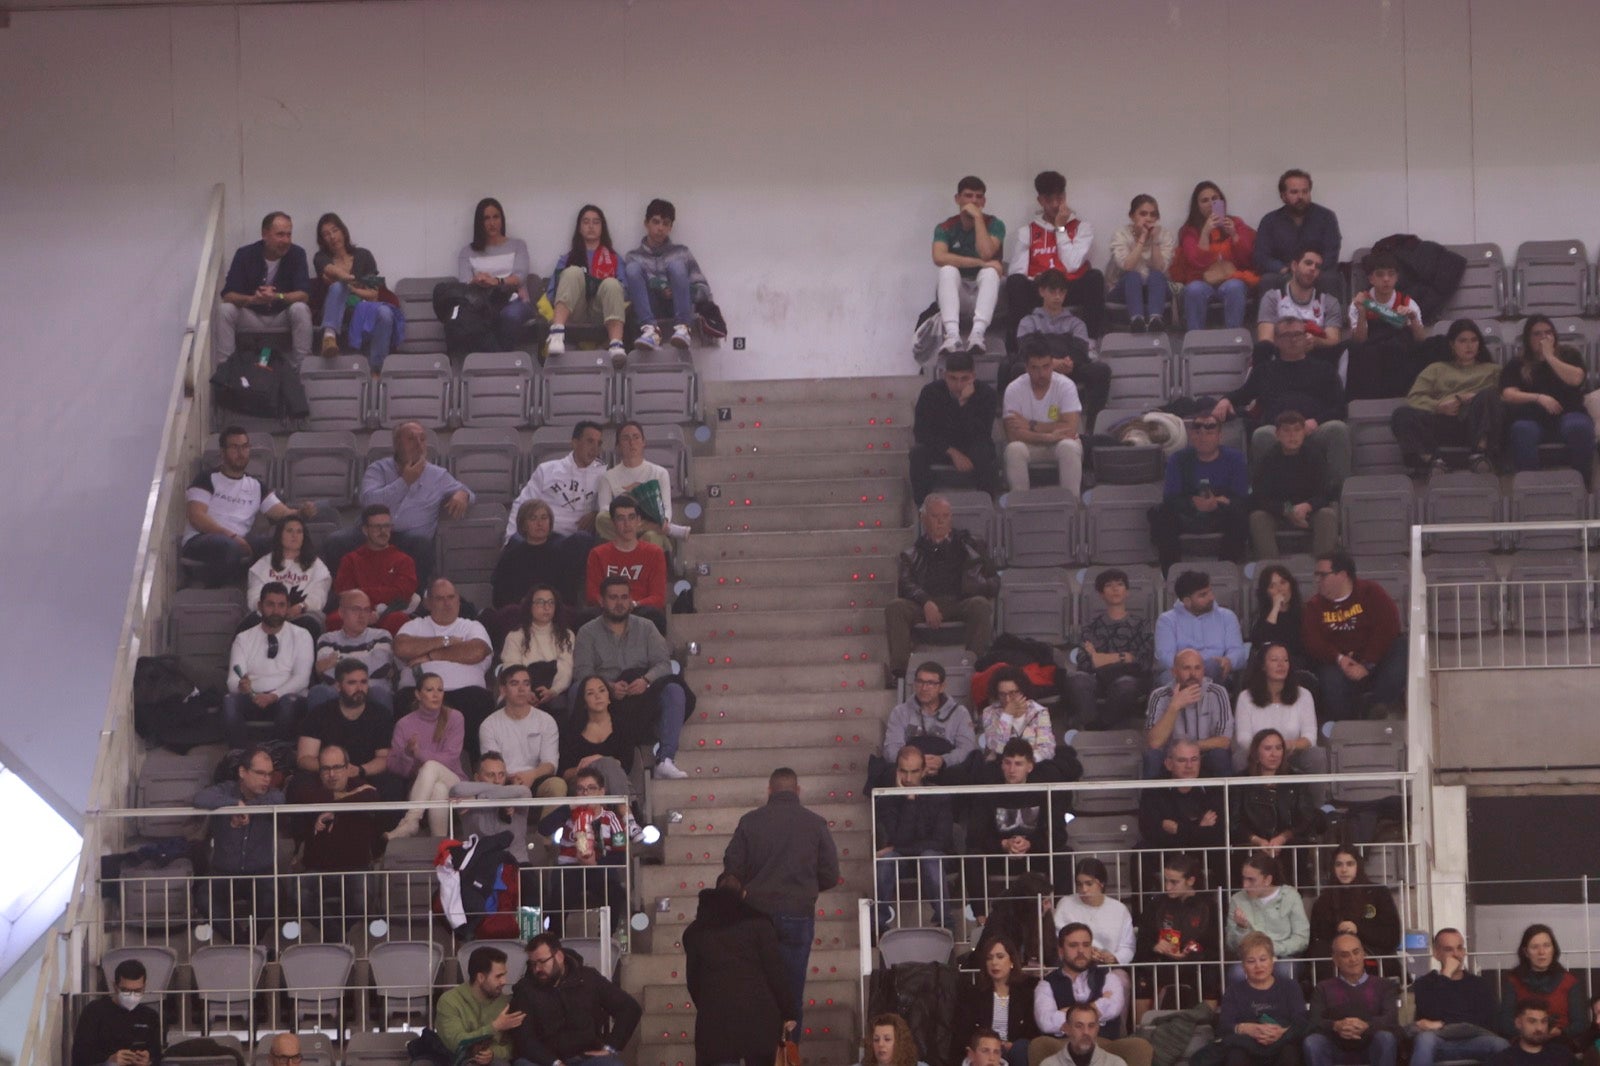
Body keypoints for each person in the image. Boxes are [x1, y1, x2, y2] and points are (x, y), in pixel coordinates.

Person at [724, 768, 841, 1038]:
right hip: (798, 914)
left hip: (755, 914)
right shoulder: (815, 823)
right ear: (798, 791)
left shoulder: (750, 822)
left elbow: (732, 868)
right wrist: (806, 889)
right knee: (791, 993)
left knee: (756, 990)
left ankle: (759, 1052)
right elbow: (831, 875)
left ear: (769, 790)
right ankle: (788, 1052)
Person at [324, 421, 472, 586]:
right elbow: (368, 502)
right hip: (371, 531)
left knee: (422, 544)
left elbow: (467, 492)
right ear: (397, 444)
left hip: (409, 538)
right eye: (411, 439)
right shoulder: (378, 469)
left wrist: (463, 494)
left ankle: (415, 599)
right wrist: (404, 482)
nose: (418, 444)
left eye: (422, 439)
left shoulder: (437, 475)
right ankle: (345, 595)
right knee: (335, 542)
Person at [572, 575, 688, 780]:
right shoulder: (587, 632)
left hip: (642, 692)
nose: (619, 603)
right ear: (601, 600)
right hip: (605, 695)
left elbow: (664, 664)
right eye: (613, 597)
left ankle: (665, 759)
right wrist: (607, 687)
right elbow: (582, 672)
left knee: (674, 690)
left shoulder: (647, 627)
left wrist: (646, 680)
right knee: (577, 690)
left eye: (624, 597)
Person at [1214, 319, 1350, 488]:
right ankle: (1265, 495)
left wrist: (1316, 422)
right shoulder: (1264, 370)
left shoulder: (1324, 369)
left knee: (1338, 429)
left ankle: (1336, 494)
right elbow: (1242, 395)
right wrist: (1225, 400)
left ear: (1306, 337)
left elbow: (1340, 407)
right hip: (1277, 430)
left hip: (1314, 428)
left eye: (1298, 334)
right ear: (1276, 340)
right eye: (1287, 335)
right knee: (1261, 434)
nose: (1293, 340)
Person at [684, 872, 797, 1066]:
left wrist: (707, 1006)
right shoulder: (760, 924)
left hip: (715, 1022)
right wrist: (788, 1011)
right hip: (759, 1018)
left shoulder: (696, 931)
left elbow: (693, 981)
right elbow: (776, 972)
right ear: (744, 894)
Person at [182, 425, 313, 587]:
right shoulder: (206, 478)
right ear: (222, 452)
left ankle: (271, 592)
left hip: (238, 542)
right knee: (228, 547)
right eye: (234, 447)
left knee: (279, 544)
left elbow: (283, 513)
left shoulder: (256, 486)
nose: (241, 452)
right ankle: (221, 591)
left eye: (245, 447)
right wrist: (231, 536)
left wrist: (302, 513)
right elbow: (196, 517)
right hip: (202, 539)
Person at [885, 493, 999, 675]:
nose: (941, 521)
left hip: (960, 601)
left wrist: (976, 585)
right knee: (895, 607)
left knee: (980, 605)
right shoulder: (911, 554)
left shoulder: (972, 546)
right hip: (925, 604)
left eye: (945, 516)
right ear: (923, 519)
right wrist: (926, 602)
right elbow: (906, 584)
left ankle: (976, 668)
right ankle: (901, 673)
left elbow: (994, 580)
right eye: (935, 516)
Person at [287, 743, 384, 937]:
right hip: (317, 869)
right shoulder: (308, 788)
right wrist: (340, 804)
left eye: (337, 768)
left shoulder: (362, 789)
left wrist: (333, 808)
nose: (331, 774)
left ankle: (335, 934)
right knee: (298, 893)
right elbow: (303, 796)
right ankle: (337, 936)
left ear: (348, 768)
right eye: (326, 769)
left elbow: (372, 795)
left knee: (362, 900)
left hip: (356, 867)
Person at [193, 745, 283, 947]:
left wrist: (245, 809)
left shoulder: (272, 795)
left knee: (273, 896)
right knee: (204, 898)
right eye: (260, 773)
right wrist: (233, 804)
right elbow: (200, 798)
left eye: (269, 774)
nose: (267, 779)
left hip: (261, 873)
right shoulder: (225, 790)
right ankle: (245, 945)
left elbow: (279, 798)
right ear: (243, 772)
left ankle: (248, 944)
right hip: (224, 872)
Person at [394, 579, 496, 756]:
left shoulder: (472, 626)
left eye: (451, 597)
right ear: (428, 603)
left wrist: (430, 655)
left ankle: (474, 765)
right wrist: (446, 641)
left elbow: (477, 651)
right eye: (440, 598)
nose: (447, 603)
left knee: (481, 701)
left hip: (467, 694)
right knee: (404, 700)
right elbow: (401, 648)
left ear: (458, 600)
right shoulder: (414, 626)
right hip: (418, 693)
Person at [1302, 552, 1407, 721]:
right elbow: (1313, 641)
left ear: (1343, 575)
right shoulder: (1314, 606)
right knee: (1329, 678)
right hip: (1339, 664)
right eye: (1316, 575)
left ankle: (1375, 706)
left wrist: (1367, 663)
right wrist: (1339, 658)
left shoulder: (1370, 592)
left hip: (1375, 660)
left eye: (1323, 575)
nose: (1317, 580)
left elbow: (1388, 627)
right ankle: (1346, 723)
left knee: (1402, 648)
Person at [1390, 319, 1502, 476]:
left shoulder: (1493, 370)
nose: (1469, 346)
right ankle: (1433, 460)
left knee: (1487, 397)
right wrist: (1438, 407)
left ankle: (1480, 454)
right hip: (1443, 420)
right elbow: (1415, 397)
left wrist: (1474, 397)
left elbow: (1505, 395)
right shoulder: (1436, 369)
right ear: (1452, 345)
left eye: (1474, 340)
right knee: (1401, 414)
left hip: (1477, 420)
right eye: (1463, 341)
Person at [509, 933, 642, 1066]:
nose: (537, 969)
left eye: (542, 962)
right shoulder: (525, 989)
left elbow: (629, 1008)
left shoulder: (587, 978)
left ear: (559, 956)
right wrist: (554, 1063)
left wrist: (611, 1047)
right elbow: (525, 1039)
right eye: (532, 964)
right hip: (543, 1060)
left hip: (586, 1056)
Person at [1004, 170, 1106, 344]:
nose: (1055, 205)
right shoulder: (1027, 231)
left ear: (1065, 196)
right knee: (1014, 281)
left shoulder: (1082, 228)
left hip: (1068, 287)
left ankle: (1089, 342)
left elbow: (1072, 264)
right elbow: (1017, 271)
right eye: (1049, 200)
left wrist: (1060, 229)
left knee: (1095, 277)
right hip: (1041, 288)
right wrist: (1039, 282)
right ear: (1040, 200)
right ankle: (1018, 346)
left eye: (1059, 198)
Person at [537, 766, 632, 936]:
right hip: (569, 869)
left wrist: (596, 862)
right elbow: (543, 828)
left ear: (602, 792)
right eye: (580, 789)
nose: (585, 793)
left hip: (599, 868)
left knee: (616, 892)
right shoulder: (568, 814)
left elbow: (620, 855)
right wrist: (569, 807)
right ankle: (555, 938)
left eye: (591, 788)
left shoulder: (611, 818)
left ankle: (606, 938)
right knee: (559, 894)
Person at [1149, 415, 1251, 573]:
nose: (1203, 437)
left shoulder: (1235, 459)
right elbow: (1169, 498)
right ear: (1191, 436)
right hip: (1188, 514)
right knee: (1161, 515)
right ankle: (1171, 574)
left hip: (1221, 514)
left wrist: (1217, 503)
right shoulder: (1178, 459)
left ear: (1219, 436)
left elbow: (1242, 498)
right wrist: (1193, 503)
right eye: (1198, 433)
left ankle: (1225, 571)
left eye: (1209, 433)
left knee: (1240, 516)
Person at [965, 741, 1059, 910]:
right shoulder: (988, 793)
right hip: (998, 858)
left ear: (1030, 767)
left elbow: (1058, 834)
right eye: (1007, 763)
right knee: (973, 856)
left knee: (1063, 853)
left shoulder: (1043, 792)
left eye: (1018, 764)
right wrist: (1003, 844)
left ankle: (1060, 911)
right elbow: (974, 836)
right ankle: (981, 915)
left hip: (1034, 856)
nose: (1012, 769)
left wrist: (1030, 844)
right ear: (1001, 764)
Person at [1501, 315, 1594, 481]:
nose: (1543, 337)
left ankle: (1582, 483)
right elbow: (1508, 394)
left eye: (1548, 332)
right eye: (1537, 334)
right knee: (1521, 430)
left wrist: (1550, 357)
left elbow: (1576, 379)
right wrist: (1539, 398)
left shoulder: (1569, 354)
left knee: (1579, 427)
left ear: (1554, 335)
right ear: (1528, 338)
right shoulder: (1517, 363)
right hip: (1532, 417)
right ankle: (1530, 484)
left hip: (1570, 413)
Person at [1015, 274, 1113, 430]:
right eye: (1052, 291)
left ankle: (1092, 426)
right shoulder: (1029, 321)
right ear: (1041, 291)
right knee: (1016, 369)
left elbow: (1080, 352)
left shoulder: (1076, 323)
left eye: (1061, 292)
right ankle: (1021, 423)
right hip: (1038, 367)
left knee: (1101, 370)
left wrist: (1065, 363)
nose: (1057, 296)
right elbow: (1025, 349)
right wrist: (1050, 364)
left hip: (1069, 367)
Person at [215, 210, 312, 367]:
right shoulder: (245, 254)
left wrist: (278, 296)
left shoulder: (297, 254)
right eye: (280, 234)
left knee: (300, 309)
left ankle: (300, 368)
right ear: (265, 234)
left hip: (282, 315)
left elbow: (304, 295)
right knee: (225, 310)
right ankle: (226, 369)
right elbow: (228, 295)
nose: (286, 240)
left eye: (289, 235)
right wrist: (253, 299)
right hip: (252, 315)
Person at [223, 582, 314, 748]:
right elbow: (232, 681)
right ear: (260, 606)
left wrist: (273, 695)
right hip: (253, 697)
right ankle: (239, 755)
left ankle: (279, 754)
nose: (276, 611)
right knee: (230, 701)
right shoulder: (244, 638)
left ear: (287, 607)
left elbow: (302, 679)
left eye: (281, 605)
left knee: (288, 703)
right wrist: (243, 688)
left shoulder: (302, 635)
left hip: (287, 697)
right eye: (270, 604)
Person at [874, 745, 954, 933]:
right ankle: (878, 925)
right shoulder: (886, 799)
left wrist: (898, 848)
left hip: (935, 857)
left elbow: (940, 842)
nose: (908, 779)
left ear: (924, 771)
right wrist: (909, 800)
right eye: (903, 771)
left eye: (914, 772)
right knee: (887, 861)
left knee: (929, 857)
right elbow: (899, 838)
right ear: (897, 771)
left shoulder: (939, 796)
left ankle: (946, 924)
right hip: (903, 860)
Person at [296, 659, 400, 799]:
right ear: (338, 686)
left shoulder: (380, 714)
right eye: (352, 683)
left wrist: (359, 770)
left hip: (365, 774)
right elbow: (304, 759)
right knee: (299, 784)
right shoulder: (319, 713)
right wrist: (337, 769)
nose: (359, 688)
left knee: (393, 785)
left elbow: (384, 758)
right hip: (327, 775)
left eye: (363, 682)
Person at [1068, 569, 1156, 729]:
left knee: (1125, 684)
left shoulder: (1142, 625)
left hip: (1131, 680)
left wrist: (1102, 658)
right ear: (1101, 594)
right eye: (1109, 585)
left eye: (1120, 584)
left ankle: (1103, 723)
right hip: (1100, 679)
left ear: (1127, 591)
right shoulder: (1091, 627)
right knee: (1078, 678)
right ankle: (1090, 722)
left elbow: (1145, 662)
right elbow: (1085, 664)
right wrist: (1125, 656)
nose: (1115, 589)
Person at [1133, 854, 1220, 1015]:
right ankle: (1141, 1027)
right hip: (1162, 962)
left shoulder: (1208, 906)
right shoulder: (1156, 904)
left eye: (1174, 882)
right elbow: (1142, 942)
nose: (1167, 887)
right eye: (1166, 880)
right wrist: (1155, 946)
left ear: (1191, 881)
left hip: (1196, 964)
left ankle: (1209, 1023)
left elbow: (1214, 946)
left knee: (1212, 972)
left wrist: (1190, 951)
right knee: (1141, 972)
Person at [385, 671, 468, 839]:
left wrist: (419, 753)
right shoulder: (404, 724)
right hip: (421, 786)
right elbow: (393, 766)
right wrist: (408, 754)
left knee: (430, 766)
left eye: (440, 690)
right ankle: (440, 844)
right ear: (418, 694)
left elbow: (450, 759)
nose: (436, 695)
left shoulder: (455, 717)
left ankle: (411, 821)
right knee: (438, 789)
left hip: (455, 782)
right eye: (430, 690)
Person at [911, 350, 1001, 503]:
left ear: (973, 376)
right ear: (945, 375)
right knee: (917, 453)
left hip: (972, 445)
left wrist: (964, 403)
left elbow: (981, 433)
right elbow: (921, 432)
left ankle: (986, 504)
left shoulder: (987, 394)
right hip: (941, 447)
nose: (958, 385)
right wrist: (952, 452)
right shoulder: (930, 392)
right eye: (953, 378)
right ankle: (923, 507)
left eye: (964, 379)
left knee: (984, 452)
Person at [1410, 928, 1510, 1066]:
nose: (1456, 954)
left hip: (1475, 1041)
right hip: (1438, 1042)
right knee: (1424, 1039)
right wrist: (1445, 976)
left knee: (1501, 1045)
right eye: (1448, 949)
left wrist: (1442, 1024)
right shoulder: (1424, 984)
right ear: (1436, 954)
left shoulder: (1479, 984)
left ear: (1464, 951)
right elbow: (1430, 1013)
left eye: (1459, 948)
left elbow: (1488, 1021)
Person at [622, 197, 711, 351]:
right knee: (632, 269)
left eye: (665, 223)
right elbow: (627, 294)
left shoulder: (682, 252)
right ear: (646, 224)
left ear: (670, 227)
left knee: (677, 265)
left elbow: (704, 290)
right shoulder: (634, 256)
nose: (660, 228)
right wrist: (657, 288)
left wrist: (679, 290)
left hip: (678, 307)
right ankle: (650, 331)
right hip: (649, 310)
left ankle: (683, 328)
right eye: (656, 222)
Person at [545, 204, 632, 361]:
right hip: (574, 311)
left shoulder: (614, 258)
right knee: (573, 272)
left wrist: (598, 287)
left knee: (612, 284)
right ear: (579, 228)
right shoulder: (567, 259)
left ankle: (616, 345)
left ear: (602, 228)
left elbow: (624, 293)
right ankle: (556, 335)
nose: (591, 226)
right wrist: (578, 286)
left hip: (602, 312)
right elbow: (551, 294)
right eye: (586, 222)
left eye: (596, 222)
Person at [311, 211, 397, 367]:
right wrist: (346, 279)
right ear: (322, 240)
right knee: (338, 286)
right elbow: (330, 269)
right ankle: (329, 337)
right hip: (334, 311)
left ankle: (377, 368)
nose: (332, 237)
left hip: (360, 308)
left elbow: (373, 294)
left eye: (335, 230)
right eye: (326, 234)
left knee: (385, 313)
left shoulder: (364, 255)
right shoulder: (320, 257)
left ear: (343, 231)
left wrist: (351, 289)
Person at [933, 176, 1006, 354]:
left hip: (987, 292)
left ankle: (977, 335)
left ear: (984, 201)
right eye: (968, 195)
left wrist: (978, 218)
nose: (974, 201)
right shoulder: (945, 227)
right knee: (947, 270)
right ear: (957, 199)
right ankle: (952, 335)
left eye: (978, 196)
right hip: (959, 292)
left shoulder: (995, 224)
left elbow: (986, 253)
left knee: (990, 273)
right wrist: (980, 262)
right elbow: (939, 257)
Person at [1250, 411, 1338, 559]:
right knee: (1257, 517)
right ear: (1277, 434)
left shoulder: (1315, 456)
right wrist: (1288, 510)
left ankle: (1323, 566)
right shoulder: (1268, 459)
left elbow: (1326, 492)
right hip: (1279, 513)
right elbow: (1260, 497)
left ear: (1304, 433)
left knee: (1327, 515)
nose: (1292, 435)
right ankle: (1271, 568)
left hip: (1309, 512)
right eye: (1286, 431)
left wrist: (1307, 506)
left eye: (1297, 430)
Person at [1173, 182, 1258, 331]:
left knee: (1235, 286)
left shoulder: (1236, 223)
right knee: (1193, 290)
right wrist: (1205, 233)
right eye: (1204, 200)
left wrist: (1234, 234)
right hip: (1202, 280)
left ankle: (1233, 337)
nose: (1211, 204)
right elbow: (1196, 261)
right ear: (1197, 206)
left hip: (1231, 278)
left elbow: (1247, 258)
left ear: (1222, 201)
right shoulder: (1189, 230)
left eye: (1214, 199)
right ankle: (1195, 338)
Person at [1304, 934, 1399, 1066]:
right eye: (1345, 955)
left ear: (1363, 954)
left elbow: (1390, 1018)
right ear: (1335, 960)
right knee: (1313, 1042)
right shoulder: (1323, 988)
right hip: (1336, 1046)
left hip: (1371, 1045)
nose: (1353, 959)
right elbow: (1314, 1022)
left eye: (1356, 952)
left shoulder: (1384, 985)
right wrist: (1336, 1026)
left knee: (1386, 1038)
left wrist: (1367, 1025)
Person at [1217, 930, 1308, 1066]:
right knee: (1235, 1055)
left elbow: (1301, 1023)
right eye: (1251, 961)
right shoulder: (1233, 991)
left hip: (1282, 1044)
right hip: (1246, 1046)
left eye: (1263, 959)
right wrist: (1245, 1028)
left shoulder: (1290, 987)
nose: (1258, 966)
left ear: (1272, 961)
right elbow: (1224, 1026)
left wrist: (1281, 1032)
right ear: (1243, 966)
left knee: (1290, 1053)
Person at [1001, 344, 1084, 495]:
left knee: (1069, 447)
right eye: (1035, 368)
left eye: (1046, 367)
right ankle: (1020, 503)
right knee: (1014, 449)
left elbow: (1070, 429)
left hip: (1059, 443)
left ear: (1052, 364)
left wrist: (1030, 425)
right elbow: (1013, 435)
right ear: (1026, 368)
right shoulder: (1014, 389)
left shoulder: (1066, 386)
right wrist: (1048, 436)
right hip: (1030, 445)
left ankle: (1072, 502)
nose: (1041, 374)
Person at [1344, 251, 1427, 401]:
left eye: (1391, 274)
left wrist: (1413, 318)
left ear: (1397, 277)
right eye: (1380, 274)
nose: (1386, 279)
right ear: (1371, 278)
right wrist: (1362, 312)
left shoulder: (1408, 302)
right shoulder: (1360, 301)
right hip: (1371, 349)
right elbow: (1360, 340)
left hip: (1397, 349)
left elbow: (1421, 339)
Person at [456, 196, 536, 352]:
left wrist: (497, 281)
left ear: (502, 219)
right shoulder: (467, 252)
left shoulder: (518, 245)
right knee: (472, 319)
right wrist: (479, 280)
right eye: (486, 218)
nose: (492, 223)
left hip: (515, 301)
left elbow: (519, 278)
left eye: (496, 217)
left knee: (509, 316)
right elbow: (464, 284)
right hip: (483, 303)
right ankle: (495, 360)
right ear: (479, 222)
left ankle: (499, 359)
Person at [1033, 923, 1135, 1043]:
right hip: (1064, 1047)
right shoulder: (1046, 984)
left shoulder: (1109, 978)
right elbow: (1046, 1023)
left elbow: (1113, 1008)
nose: (1081, 951)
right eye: (1073, 945)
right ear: (1061, 951)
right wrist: (1097, 1006)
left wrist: (1065, 1014)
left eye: (1086, 945)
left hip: (1104, 1046)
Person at [477, 663, 567, 799]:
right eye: (514, 684)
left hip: (536, 778)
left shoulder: (547, 721)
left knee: (557, 785)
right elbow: (491, 766)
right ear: (503, 689)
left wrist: (531, 775)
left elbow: (550, 764)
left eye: (526, 684)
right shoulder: (489, 725)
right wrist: (513, 779)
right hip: (502, 782)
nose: (521, 689)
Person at [506, 421, 607, 541]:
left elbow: (610, 508)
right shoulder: (547, 470)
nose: (595, 449)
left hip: (578, 540)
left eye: (599, 443)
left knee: (583, 538)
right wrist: (510, 538)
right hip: (546, 538)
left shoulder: (604, 475)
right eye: (590, 441)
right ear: (575, 443)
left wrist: (596, 513)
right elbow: (522, 504)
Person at [328, 505, 419, 636]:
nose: (383, 531)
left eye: (387, 526)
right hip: (355, 611)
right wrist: (366, 611)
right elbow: (344, 594)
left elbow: (402, 594)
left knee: (398, 620)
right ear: (365, 530)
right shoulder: (350, 560)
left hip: (389, 612)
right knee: (335, 620)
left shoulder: (404, 560)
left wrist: (362, 592)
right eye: (377, 527)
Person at [1143, 649, 1234, 779]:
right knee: (1153, 756)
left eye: (1197, 668)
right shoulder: (1159, 696)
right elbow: (1154, 743)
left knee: (1220, 755)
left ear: (1203, 671)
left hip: (1204, 757)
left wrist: (1188, 750)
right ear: (1174, 672)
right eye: (1186, 668)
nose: (1193, 674)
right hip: (1172, 760)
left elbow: (1224, 741)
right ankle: (1152, 794)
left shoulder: (1217, 693)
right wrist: (1174, 706)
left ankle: (1227, 794)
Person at [883, 660, 977, 784]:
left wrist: (943, 761)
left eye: (931, 683)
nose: (924, 688)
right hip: (909, 769)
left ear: (942, 687)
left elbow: (967, 748)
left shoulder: (960, 713)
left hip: (946, 769)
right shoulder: (900, 712)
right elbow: (891, 749)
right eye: (920, 682)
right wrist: (915, 764)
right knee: (887, 774)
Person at [1233, 732, 1322, 862]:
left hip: (1289, 845)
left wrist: (1283, 837)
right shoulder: (1240, 781)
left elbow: (1306, 818)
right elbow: (1234, 822)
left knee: (1297, 850)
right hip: (1252, 845)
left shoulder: (1297, 779)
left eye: (1278, 748)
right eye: (1268, 748)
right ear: (1256, 753)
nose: (1274, 754)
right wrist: (1257, 841)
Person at [594, 421, 686, 548]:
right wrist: (630, 518)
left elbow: (666, 508)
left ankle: (651, 530)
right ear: (618, 446)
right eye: (625, 438)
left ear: (644, 442)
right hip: (620, 527)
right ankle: (657, 528)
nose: (631, 443)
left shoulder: (660, 473)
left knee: (651, 536)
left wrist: (664, 521)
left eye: (636, 437)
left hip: (649, 530)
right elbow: (604, 509)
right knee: (601, 519)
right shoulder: (607, 477)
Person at [585, 494, 668, 633]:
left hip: (639, 609)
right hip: (607, 610)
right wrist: (613, 605)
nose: (627, 524)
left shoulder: (654, 553)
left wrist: (634, 604)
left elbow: (658, 597)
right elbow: (592, 595)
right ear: (613, 522)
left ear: (639, 521)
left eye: (631, 517)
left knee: (654, 616)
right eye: (621, 518)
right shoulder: (598, 554)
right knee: (586, 617)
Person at [1233, 645, 1321, 773]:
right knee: (1240, 758)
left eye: (1285, 660)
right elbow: (1243, 738)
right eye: (1274, 660)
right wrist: (1268, 749)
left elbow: (1310, 738)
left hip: (1292, 753)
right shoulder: (1245, 697)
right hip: (1259, 754)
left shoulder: (1304, 695)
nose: (1281, 665)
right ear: (1263, 666)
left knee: (1317, 755)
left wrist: (1287, 746)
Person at [953, 937, 1039, 1066]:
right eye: (989, 958)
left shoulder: (1027, 993)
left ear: (1011, 961)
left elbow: (1032, 1031)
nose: (994, 962)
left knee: (1021, 1048)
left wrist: (1011, 1045)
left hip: (1015, 1050)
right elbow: (965, 1032)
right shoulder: (973, 994)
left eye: (1000, 957)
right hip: (986, 1051)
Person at [1254, 170, 1343, 293]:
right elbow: (1262, 256)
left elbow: (1331, 252)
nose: (1300, 196)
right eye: (1294, 192)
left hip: (1316, 272)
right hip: (1284, 272)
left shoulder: (1326, 217)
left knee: (1330, 279)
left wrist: (1312, 268)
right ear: (1283, 196)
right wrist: (1284, 269)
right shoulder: (1269, 221)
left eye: (1305, 191)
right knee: (1267, 280)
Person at [1308, 847, 1401, 965]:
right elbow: (1316, 939)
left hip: (1372, 957)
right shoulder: (1323, 900)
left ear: (1358, 866)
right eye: (1338, 865)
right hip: (1335, 961)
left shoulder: (1378, 893)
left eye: (1350, 864)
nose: (1344, 870)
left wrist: (1358, 929)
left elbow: (1392, 937)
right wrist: (1339, 930)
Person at [1226, 851, 1310, 981]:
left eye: (1251, 880)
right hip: (1250, 958)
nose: (1244, 885)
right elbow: (1231, 945)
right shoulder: (1237, 900)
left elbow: (1301, 938)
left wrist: (1270, 950)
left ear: (1267, 880)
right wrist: (1241, 928)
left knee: (1285, 970)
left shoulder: (1290, 896)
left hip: (1284, 957)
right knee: (1237, 973)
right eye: (1244, 878)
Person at [1496, 925, 1586, 1044]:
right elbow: (1505, 1024)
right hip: (1523, 1044)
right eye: (1535, 947)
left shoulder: (1570, 982)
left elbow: (1580, 1024)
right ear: (1526, 952)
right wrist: (1529, 1035)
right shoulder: (1513, 981)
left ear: (1553, 949)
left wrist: (1561, 1032)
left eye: (1546, 946)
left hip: (1560, 1043)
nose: (1541, 952)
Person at [1255, 248, 1345, 367]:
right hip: (1280, 360)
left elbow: (1333, 340)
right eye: (1308, 263)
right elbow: (1266, 340)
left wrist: (1316, 341)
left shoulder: (1329, 301)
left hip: (1315, 359)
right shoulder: (1273, 297)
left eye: (1317, 267)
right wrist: (1293, 342)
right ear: (1294, 266)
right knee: (1262, 349)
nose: (1313, 269)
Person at [436, 945, 524, 1066]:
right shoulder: (449, 1001)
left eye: (504, 975)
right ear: (481, 977)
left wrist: (493, 1053)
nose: (504, 981)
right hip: (455, 1061)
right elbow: (457, 1043)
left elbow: (513, 1047)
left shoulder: (505, 1003)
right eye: (498, 976)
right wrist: (495, 1027)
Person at [245, 515, 332, 637]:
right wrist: (272, 609)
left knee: (311, 623)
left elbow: (319, 597)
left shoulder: (316, 566)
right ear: (280, 535)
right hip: (268, 615)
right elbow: (254, 597)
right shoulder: (264, 563)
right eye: (289, 531)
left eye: (299, 532)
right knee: (251, 621)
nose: (294, 535)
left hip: (301, 615)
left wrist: (301, 607)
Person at [1155, 571, 1246, 686]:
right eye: (1203, 595)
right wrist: (1190, 669)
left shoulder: (1227, 616)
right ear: (1187, 601)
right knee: (1167, 679)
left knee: (1213, 666)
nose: (1211, 597)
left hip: (1215, 672)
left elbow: (1238, 651)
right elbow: (1165, 656)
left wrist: (1229, 661)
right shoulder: (1167, 620)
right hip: (1180, 674)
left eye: (1210, 591)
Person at [310, 589, 397, 709]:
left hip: (372, 690)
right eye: (356, 609)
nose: (362, 615)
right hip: (337, 692)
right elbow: (328, 673)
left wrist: (337, 658)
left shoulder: (381, 635)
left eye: (366, 610)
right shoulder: (327, 639)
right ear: (341, 612)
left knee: (379, 693)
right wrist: (367, 657)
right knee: (318, 692)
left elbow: (381, 667)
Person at [491, 502, 584, 615]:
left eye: (544, 518)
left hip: (554, 613)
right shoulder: (511, 556)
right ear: (523, 524)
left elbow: (569, 596)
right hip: (520, 613)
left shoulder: (562, 555)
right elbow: (499, 596)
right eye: (533, 518)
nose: (540, 523)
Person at [1137, 739, 1227, 852]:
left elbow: (1216, 833)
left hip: (1203, 853)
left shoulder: (1213, 786)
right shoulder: (1154, 788)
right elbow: (1151, 832)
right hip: (1167, 853)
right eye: (1182, 760)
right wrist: (1199, 828)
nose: (1189, 766)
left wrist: (1178, 829)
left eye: (1194, 759)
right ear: (1169, 764)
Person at [558, 675, 639, 798]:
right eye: (590, 693)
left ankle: (623, 807)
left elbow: (626, 765)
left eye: (602, 690)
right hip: (582, 788)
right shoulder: (570, 730)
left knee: (608, 765)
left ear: (609, 697)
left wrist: (599, 760)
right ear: (584, 701)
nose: (598, 696)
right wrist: (591, 767)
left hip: (615, 783)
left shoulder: (623, 725)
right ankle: (625, 809)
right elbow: (563, 773)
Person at [497, 585, 574, 711]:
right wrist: (526, 692)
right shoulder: (515, 636)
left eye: (551, 602)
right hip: (522, 688)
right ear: (529, 606)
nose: (547, 607)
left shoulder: (566, 635)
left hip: (554, 690)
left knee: (558, 704)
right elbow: (511, 668)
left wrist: (553, 691)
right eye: (540, 602)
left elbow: (566, 668)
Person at [72, 959, 163, 1066]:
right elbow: (79, 1056)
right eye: (125, 990)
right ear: (115, 987)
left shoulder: (150, 1016)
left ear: (144, 987)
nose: (132, 995)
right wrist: (108, 1061)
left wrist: (148, 1060)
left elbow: (157, 1054)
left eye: (137, 991)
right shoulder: (94, 1011)